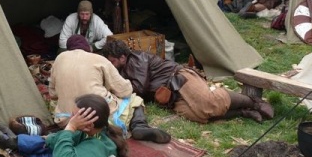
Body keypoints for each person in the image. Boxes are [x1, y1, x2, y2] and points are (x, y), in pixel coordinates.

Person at [102, 40, 274, 124]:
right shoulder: (122, 69)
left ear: (123, 57)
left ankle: (255, 102)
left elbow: (139, 88)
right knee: (199, 116)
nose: (111, 64)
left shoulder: (136, 60)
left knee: (209, 102)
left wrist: (115, 87)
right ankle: (244, 112)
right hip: (170, 97)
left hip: (179, 79)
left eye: (113, 61)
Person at [48, 34, 171, 144]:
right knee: (135, 99)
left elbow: (52, 93)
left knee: (57, 104)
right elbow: (125, 90)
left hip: (68, 119)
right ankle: (139, 126)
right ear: (87, 48)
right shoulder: (98, 59)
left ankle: (86, 133)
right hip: (96, 117)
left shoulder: (59, 59)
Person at [0, 94, 131, 157]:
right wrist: (50, 139)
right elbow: (56, 139)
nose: (71, 117)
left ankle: (14, 145)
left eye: (74, 115)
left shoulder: (99, 145)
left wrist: (70, 128)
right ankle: (15, 141)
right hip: (73, 150)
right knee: (49, 141)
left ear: (89, 125)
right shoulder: (93, 131)